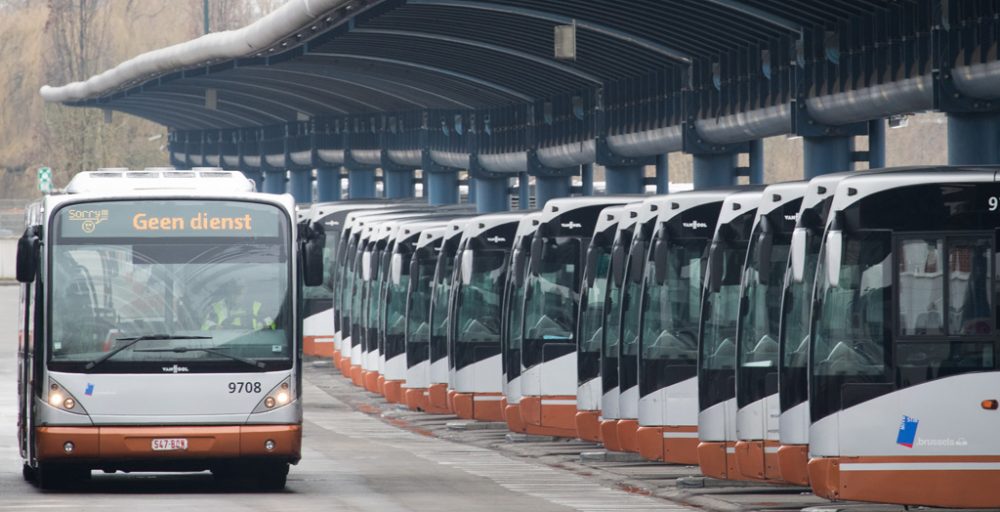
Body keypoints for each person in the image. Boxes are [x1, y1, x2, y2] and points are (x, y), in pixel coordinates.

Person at [201, 281, 275, 331]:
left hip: (254, 345)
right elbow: (204, 327)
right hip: (224, 347)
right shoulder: (216, 307)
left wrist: (264, 327)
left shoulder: (257, 307)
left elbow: (272, 325)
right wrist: (215, 328)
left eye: (239, 293)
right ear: (228, 293)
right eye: (233, 292)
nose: (236, 296)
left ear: (245, 293)